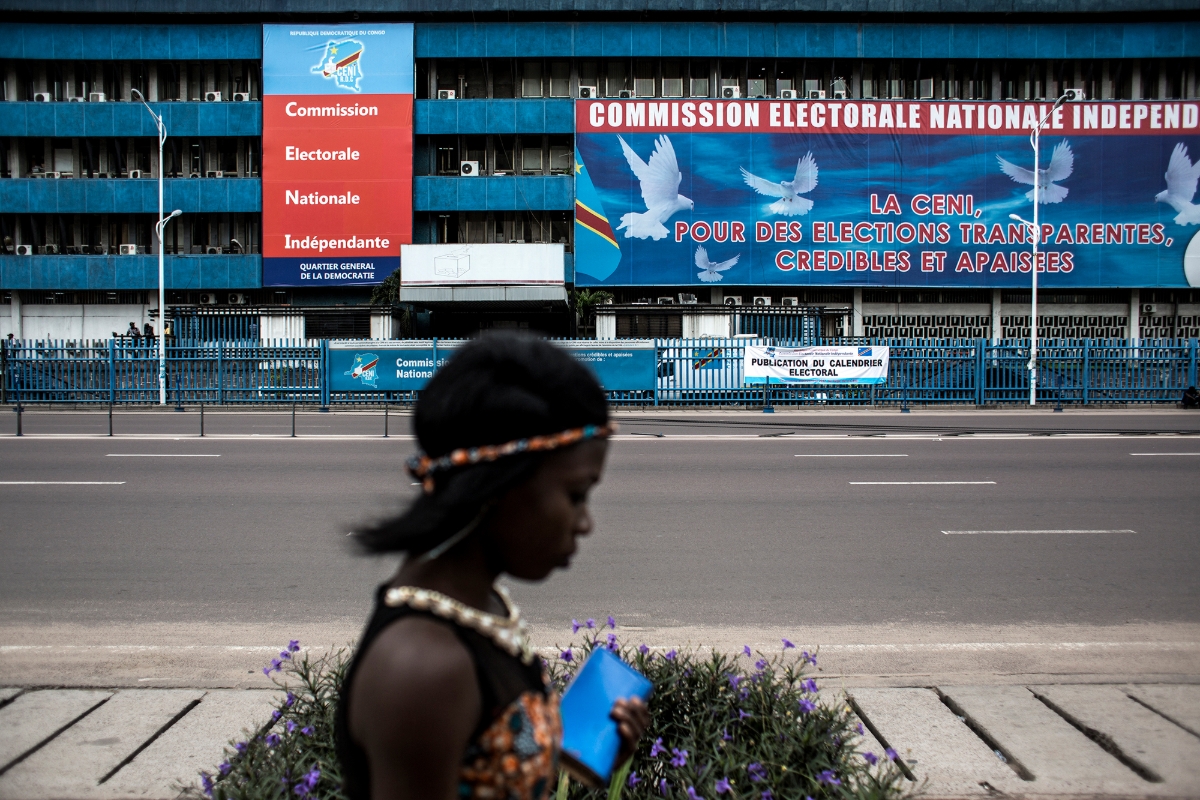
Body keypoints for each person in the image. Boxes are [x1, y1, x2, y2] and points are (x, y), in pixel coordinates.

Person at [336, 333, 649, 800]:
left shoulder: (477, 604)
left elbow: (485, 760)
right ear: (500, 486)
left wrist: (577, 751)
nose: (585, 524)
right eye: (576, 494)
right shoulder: (424, 669)